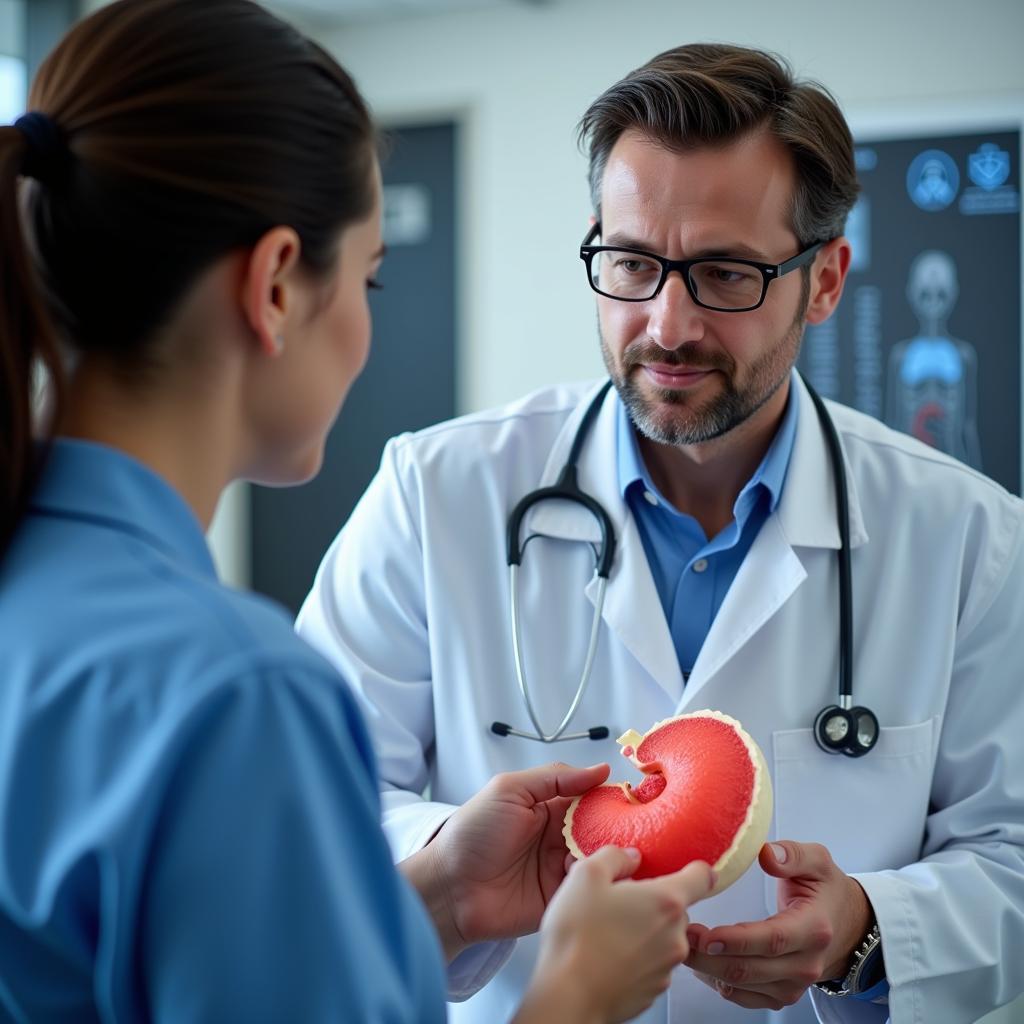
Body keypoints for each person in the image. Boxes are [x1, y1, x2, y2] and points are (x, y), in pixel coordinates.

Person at [0, 2, 716, 1021]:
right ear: (279, 286)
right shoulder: (235, 695)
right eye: (371, 275)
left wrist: (439, 896)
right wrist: (576, 996)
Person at [297, 42, 1024, 1024]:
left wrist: (868, 929)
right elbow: (312, 812)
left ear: (825, 280)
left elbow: (1011, 854)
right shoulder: (435, 494)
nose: (667, 323)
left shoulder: (968, 537)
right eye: (632, 264)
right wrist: (453, 864)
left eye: (725, 272)